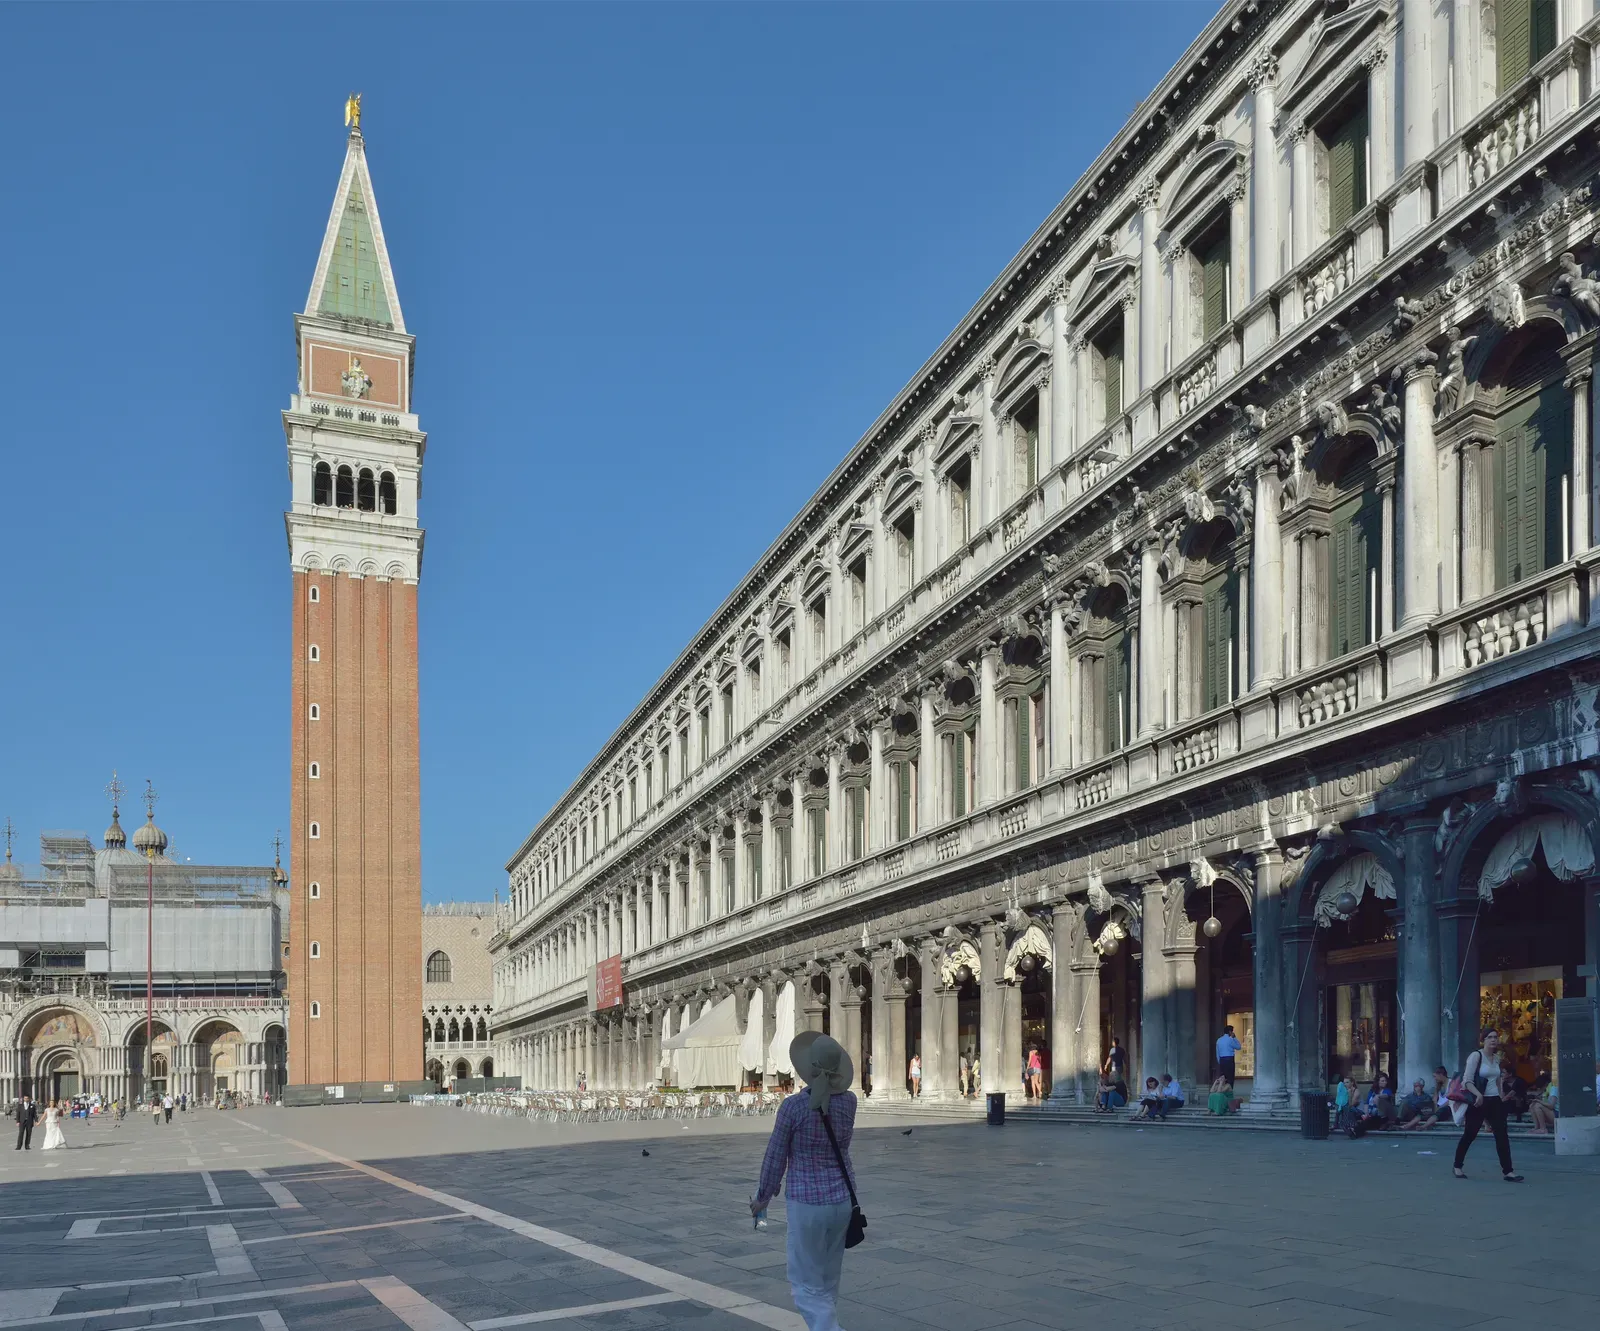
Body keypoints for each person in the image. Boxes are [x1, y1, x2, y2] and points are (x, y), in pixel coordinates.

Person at [750, 1031, 858, 1331]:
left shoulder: (794, 1108)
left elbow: (775, 1157)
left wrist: (762, 1198)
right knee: (828, 1279)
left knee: (805, 1283)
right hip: (842, 1200)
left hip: (807, 1203)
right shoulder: (849, 1102)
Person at [1453, 1027, 1522, 1182]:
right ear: (1483, 1040)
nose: (1493, 1040)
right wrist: (1478, 1094)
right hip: (1478, 1101)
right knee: (1470, 1134)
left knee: (1502, 1136)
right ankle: (1457, 1165)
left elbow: (1497, 1079)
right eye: (1490, 1037)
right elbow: (1467, 1080)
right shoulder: (1476, 1056)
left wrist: (1501, 1095)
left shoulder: (1496, 1058)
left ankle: (1508, 1171)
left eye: (1495, 1037)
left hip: (1495, 1101)